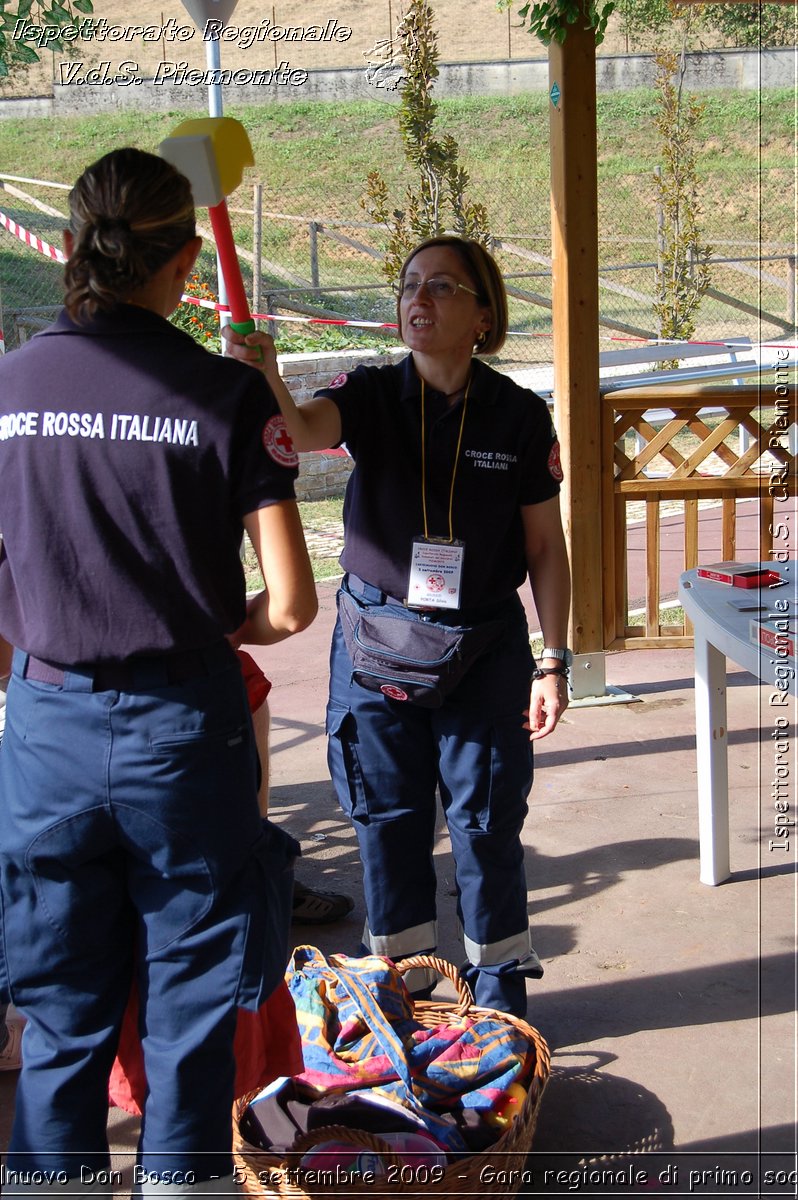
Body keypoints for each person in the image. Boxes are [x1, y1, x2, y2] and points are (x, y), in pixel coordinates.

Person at [0, 148, 317, 1193]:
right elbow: (291, 601)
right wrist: (213, 624)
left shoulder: (8, 389)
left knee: (61, 1017)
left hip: (43, 726)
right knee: (188, 1011)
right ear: (184, 258)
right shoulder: (223, 395)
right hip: (181, 733)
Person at [225, 236, 571, 1018]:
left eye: (443, 287)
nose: (419, 299)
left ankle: (499, 992)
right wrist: (266, 375)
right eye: (410, 284)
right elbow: (305, 429)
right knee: (387, 820)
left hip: (484, 650)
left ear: (484, 315)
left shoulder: (518, 414)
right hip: (377, 642)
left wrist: (553, 661)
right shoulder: (374, 392)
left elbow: (547, 548)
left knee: (486, 823)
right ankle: (406, 988)